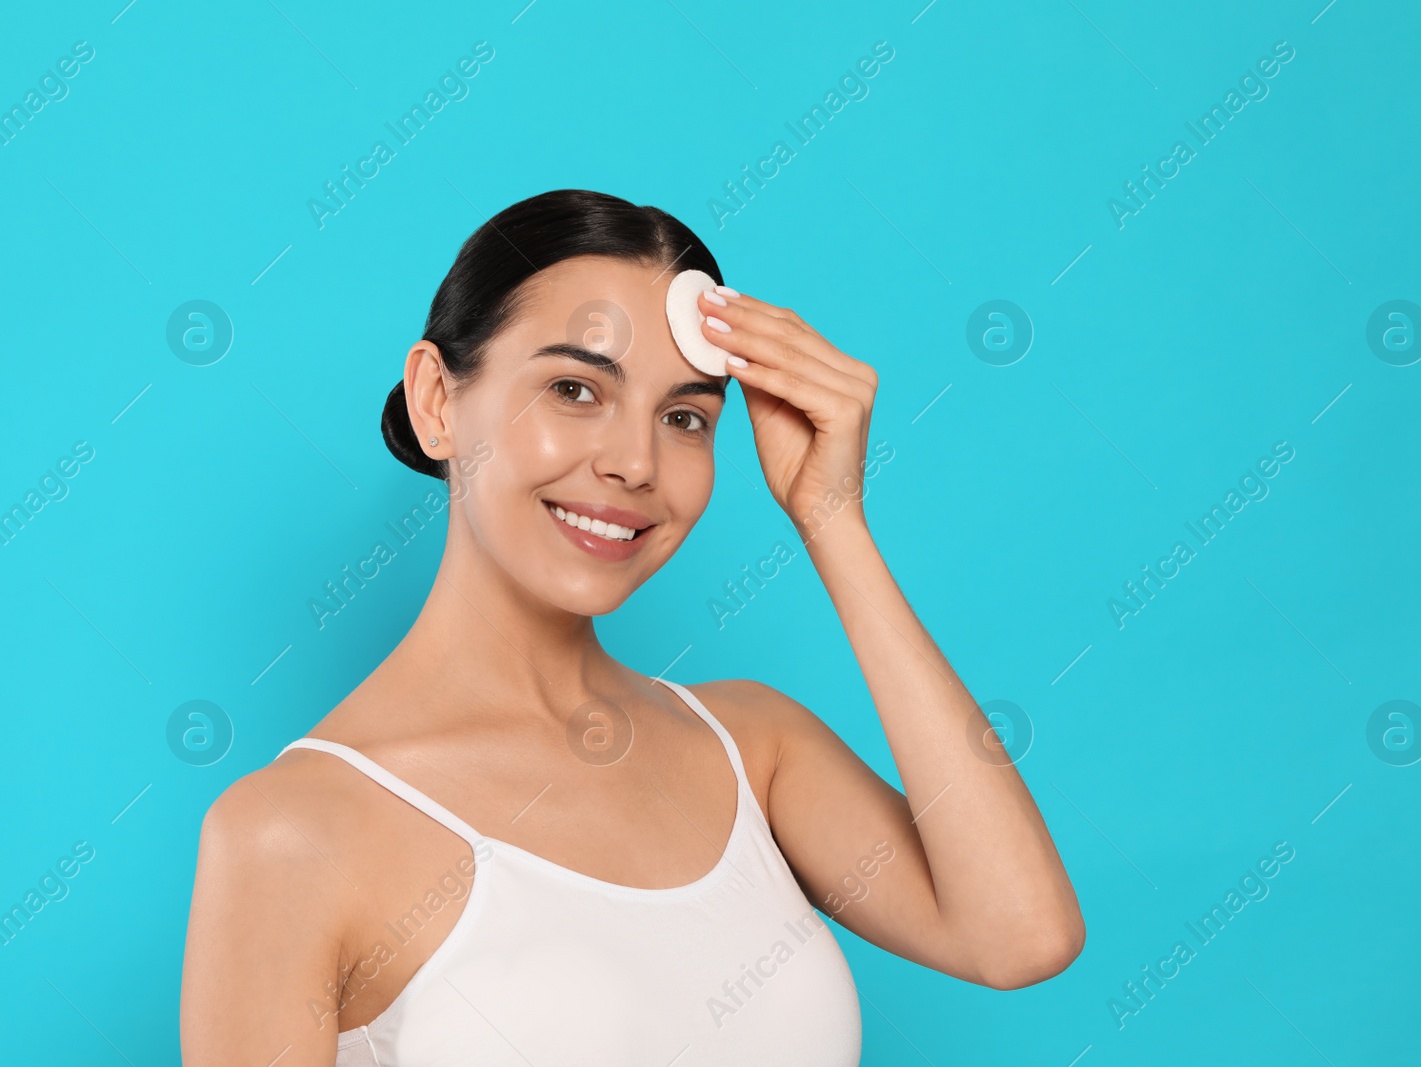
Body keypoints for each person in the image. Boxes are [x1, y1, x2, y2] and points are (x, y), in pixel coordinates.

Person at [179, 188, 1084, 1065]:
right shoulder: (291, 832)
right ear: (438, 401)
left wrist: (833, 516)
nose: (634, 463)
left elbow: (1019, 936)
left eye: (685, 416)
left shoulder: (753, 747)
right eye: (575, 388)